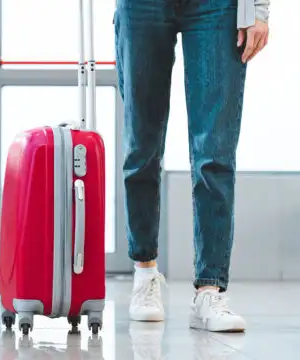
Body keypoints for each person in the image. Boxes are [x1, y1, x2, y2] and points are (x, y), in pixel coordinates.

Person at [114, 0, 270, 332]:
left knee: (214, 153)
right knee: (142, 146)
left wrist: (258, 9)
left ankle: (210, 289)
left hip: (217, 7)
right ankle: (145, 272)